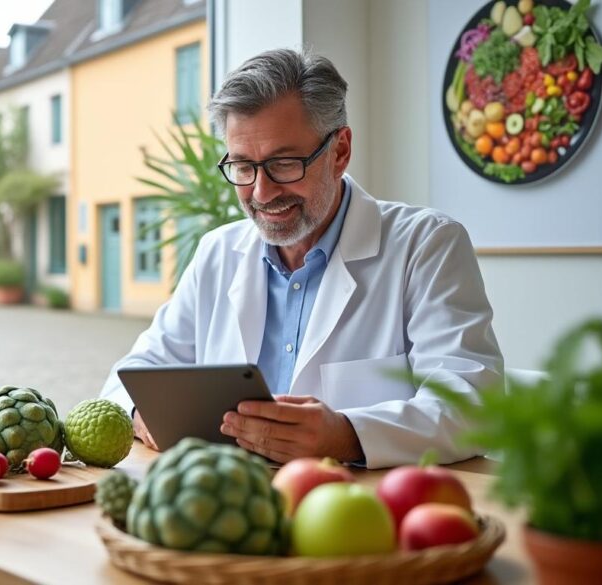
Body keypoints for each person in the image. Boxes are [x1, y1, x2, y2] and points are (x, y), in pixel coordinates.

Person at [99, 48, 502, 469]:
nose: (260, 193)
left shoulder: (427, 245)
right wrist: (138, 413)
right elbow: (136, 374)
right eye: (243, 166)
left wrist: (347, 435)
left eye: (284, 163)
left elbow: (473, 405)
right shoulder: (218, 251)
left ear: (340, 152)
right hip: (233, 504)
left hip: (363, 513)